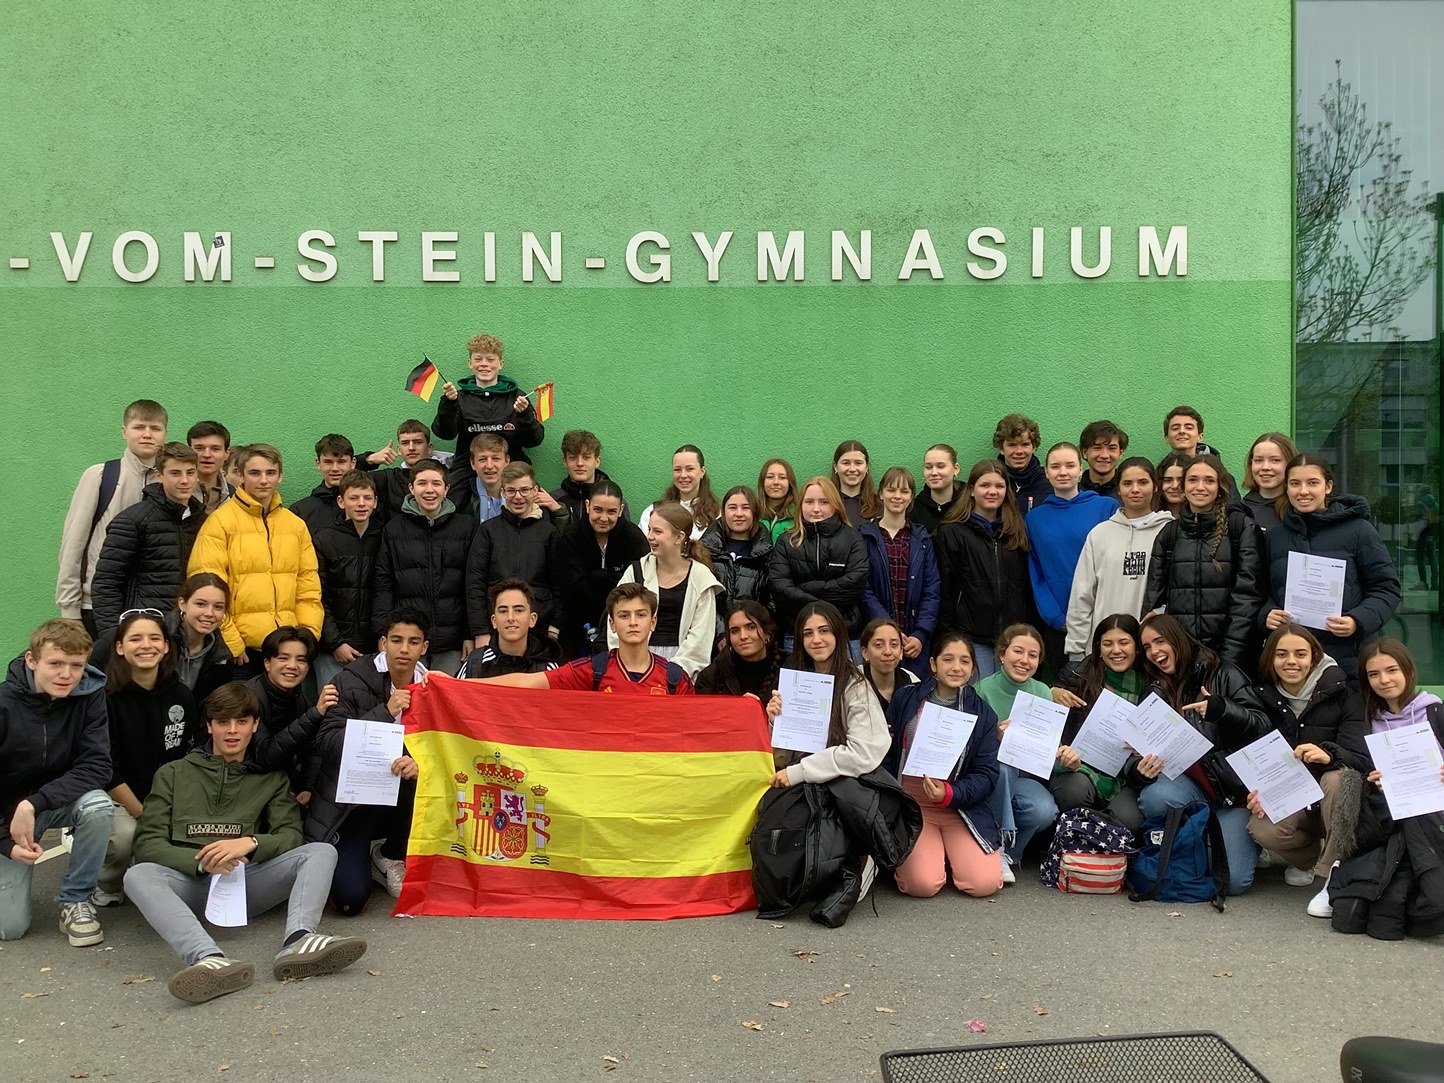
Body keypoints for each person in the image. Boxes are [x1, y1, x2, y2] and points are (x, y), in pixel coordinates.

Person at [125, 682, 366, 1003]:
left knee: (321, 851)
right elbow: (148, 842)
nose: (232, 731)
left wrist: (249, 843)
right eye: (223, 722)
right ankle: (208, 959)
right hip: (190, 886)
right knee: (137, 875)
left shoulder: (270, 776)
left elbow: (290, 835)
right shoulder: (173, 774)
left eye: (241, 722)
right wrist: (200, 861)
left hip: (247, 884)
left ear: (255, 725)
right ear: (209, 725)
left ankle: (299, 939)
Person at [763, 602, 893, 912]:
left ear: (838, 635)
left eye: (824, 631)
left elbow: (864, 752)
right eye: (808, 633)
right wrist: (774, 722)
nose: (816, 640)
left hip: (846, 785)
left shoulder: (857, 685)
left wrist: (799, 771)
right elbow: (781, 753)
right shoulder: (794, 683)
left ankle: (862, 860)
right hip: (804, 777)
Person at [1128, 613, 1270, 896]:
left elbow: (1263, 726)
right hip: (1192, 788)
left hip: (1234, 795)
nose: (1155, 652)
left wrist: (1222, 709)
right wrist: (1138, 769)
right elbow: (1135, 747)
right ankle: (1199, 839)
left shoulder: (1222, 673)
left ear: (1178, 639)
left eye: (1160, 641)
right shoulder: (1154, 687)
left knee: (1232, 882)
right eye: (1147, 647)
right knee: (1154, 796)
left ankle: (1233, 841)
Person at [305, 609, 429, 910]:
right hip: (351, 804)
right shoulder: (350, 679)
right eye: (396, 640)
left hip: (400, 797)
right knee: (350, 900)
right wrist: (385, 712)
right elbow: (328, 742)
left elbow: (446, 749)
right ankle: (357, 852)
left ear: (424, 648)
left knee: (423, 776)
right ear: (383, 643)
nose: (404, 649)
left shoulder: (433, 686)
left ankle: (390, 853)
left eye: (413, 642)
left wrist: (420, 765)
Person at [0, 619, 112, 945]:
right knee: (10, 929)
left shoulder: (89, 696)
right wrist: (5, 843)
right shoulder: (4, 704)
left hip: (49, 803)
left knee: (98, 806)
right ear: (31, 661)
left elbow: (97, 766)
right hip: (5, 818)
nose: (67, 675)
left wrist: (33, 803)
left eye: (76, 665)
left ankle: (75, 900)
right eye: (56, 664)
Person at [1248, 622, 1369, 906]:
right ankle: (1309, 858)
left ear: (1314, 657)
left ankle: (1331, 875)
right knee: (1261, 828)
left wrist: (1330, 755)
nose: (1291, 662)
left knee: (1338, 778)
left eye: (1300, 654)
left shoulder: (1344, 695)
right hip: (1291, 795)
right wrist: (1257, 792)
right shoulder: (1261, 695)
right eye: (1282, 654)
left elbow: (1361, 757)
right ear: (1271, 659)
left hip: (1332, 794)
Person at [1327, 640, 1444, 934]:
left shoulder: (1436, 713)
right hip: (1386, 815)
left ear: (1409, 670)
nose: (1384, 680)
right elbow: (1359, 766)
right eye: (1374, 674)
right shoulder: (1367, 721)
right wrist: (1372, 781)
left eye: (1392, 670)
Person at [1262, 453, 1401, 683]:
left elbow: (1386, 588)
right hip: (1292, 666)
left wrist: (1357, 620)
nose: (1303, 491)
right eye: (1295, 484)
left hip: (1348, 662)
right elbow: (1262, 591)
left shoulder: (1359, 530)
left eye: (1312, 483)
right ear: (1286, 488)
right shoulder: (1275, 537)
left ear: (1328, 487)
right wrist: (1266, 614)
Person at [884, 632, 1004, 898]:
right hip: (913, 805)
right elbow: (887, 750)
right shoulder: (906, 698)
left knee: (983, 884)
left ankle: (952, 855)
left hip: (958, 806)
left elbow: (986, 774)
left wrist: (951, 794)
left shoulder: (983, 713)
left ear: (973, 668)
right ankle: (934, 856)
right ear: (933, 664)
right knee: (921, 885)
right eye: (948, 659)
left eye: (964, 661)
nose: (956, 667)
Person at [94, 610, 199, 907]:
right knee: (126, 836)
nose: (146, 645)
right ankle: (106, 882)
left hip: (167, 797)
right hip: (119, 797)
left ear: (166, 646)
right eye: (135, 638)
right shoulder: (104, 698)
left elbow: (189, 755)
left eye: (155, 638)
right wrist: (142, 813)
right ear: (119, 647)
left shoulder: (181, 695)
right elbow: (106, 769)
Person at [186, 443, 322, 670]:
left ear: (280, 476)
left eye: (270, 473)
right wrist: (232, 641)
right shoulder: (220, 522)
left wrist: (307, 635)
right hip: (242, 653)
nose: (263, 480)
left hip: (288, 650)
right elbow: (206, 587)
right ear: (240, 476)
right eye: (255, 473)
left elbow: (308, 586)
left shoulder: (295, 525)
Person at [1143, 454, 1266, 668]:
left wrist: (1229, 658)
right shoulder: (1169, 534)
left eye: (1209, 480)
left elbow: (1248, 597)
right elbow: (1155, 601)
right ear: (1183, 486)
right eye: (1192, 480)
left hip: (1233, 658)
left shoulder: (1241, 528)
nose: (1200, 487)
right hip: (1182, 658)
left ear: (1221, 487)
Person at [58, 399, 168, 635]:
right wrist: (69, 610)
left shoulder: (171, 481)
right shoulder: (101, 476)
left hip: (150, 605)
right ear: (124, 431)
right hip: (96, 604)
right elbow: (74, 541)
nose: (147, 434)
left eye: (155, 428)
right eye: (139, 427)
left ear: (165, 434)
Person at [475, 583, 694, 695]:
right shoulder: (592, 671)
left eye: (641, 614)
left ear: (653, 623)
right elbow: (527, 682)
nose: (633, 622)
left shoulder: (675, 679)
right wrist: (451, 684)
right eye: (624, 615)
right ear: (612, 624)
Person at [1064, 457, 1172, 666]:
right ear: (1118, 489)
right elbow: (1082, 596)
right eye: (1127, 483)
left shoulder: (1170, 531)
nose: (1135, 489)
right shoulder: (1100, 534)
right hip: (1107, 651)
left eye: (1143, 482)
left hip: (1154, 651)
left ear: (1155, 486)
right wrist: (1077, 651)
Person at [373, 457, 476, 676]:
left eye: (436, 484)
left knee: (446, 704)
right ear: (411, 488)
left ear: (447, 488)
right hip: (407, 641)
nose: (429, 490)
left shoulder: (466, 527)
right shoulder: (393, 530)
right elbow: (383, 585)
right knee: (409, 703)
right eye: (422, 483)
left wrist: (470, 633)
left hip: (453, 642)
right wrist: (384, 633)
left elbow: (472, 585)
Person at [973, 624, 1061, 882]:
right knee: (1003, 767)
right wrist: (995, 737)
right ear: (1002, 654)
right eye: (1018, 651)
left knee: (1044, 810)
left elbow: (1046, 753)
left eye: (1032, 655)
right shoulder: (981, 690)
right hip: (990, 777)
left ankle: (1010, 853)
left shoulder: (1043, 692)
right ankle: (996, 846)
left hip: (1025, 776)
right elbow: (971, 752)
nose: (1024, 660)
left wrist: (1064, 758)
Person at [91, 441, 206, 635]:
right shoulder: (133, 520)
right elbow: (106, 583)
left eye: (190, 472)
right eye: (175, 473)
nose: (184, 480)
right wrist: (112, 636)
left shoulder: (203, 521)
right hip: (143, 629)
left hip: (189, 631)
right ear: (159, 475)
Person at [1049, 615, 1149, 834]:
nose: (1116, 650)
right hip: (1078, 768)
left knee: (1129, 819)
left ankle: (1095, 839)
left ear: (1138, 647)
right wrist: (1052, 692)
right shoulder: (1075, 675)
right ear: (1098, 647)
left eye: (1124, 642)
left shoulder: (1150, 685)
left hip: (1124, 774)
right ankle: (1080, 836)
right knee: (1074, 791)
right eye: (1107, 643)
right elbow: (1046, 713)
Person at [935, 460, 1034, 679]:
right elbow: (945, 588)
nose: (992, 491)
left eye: (999, 486)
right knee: (977, 701)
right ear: (971, 489)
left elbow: (1026, 584)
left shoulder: (1017, 531)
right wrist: (948, 635)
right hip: (971, 636)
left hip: (1012, 638)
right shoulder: (952, 531)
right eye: (984, 485)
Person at [1026, 442, 1119, 670]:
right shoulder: (1034, 518)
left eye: (1070, 465)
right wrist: (1056, 618)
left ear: (1080, 469)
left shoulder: (1106, 507)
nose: (1063, 472)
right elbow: (1036, 572)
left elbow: (1115, 563)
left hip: (1104, 620)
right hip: (1061, 626)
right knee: (1068, 696)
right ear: (1046, 473)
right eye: (1056, 467)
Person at [465, 462, 573, 658]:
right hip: (495, 631)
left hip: (540, 631)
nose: (518, 497)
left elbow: (561, 586)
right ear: (503, 492)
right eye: (511, 490)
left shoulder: (549, 533)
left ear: (535, 491)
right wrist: (480, 631)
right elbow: (474, 584)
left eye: (524, 490)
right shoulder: (487, 531)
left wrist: (555, 627)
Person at [614, 502, 723, 678]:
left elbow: (700, 638)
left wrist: (672, 675)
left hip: (682, 668)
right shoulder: (636, 571)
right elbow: (617, 619)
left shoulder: (701, 577)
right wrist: (627, 666)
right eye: (649, 530)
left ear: (679, 537)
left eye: (657, 531)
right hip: (634, 666)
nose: (649, 536)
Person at [768, 477, 869, 652]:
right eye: (809, 502)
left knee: (848, 681)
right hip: (797, 634)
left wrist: (805, 589)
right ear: (800, 506)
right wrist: (821, 600)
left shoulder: (852, 538)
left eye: (824, 502)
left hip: (845, 633)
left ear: (835, 505)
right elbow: (780, 588)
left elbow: (854, 586)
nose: (816, 509)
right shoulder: (786, 541)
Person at [860, 467, 940, 678]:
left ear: (911, 497)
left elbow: (932, 590)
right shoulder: (864, 537)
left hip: (913, 642)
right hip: (876, 636)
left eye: (904, 491)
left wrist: (921, 635)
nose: (897, 496)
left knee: (913, 701)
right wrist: (888, 630)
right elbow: (863, 589)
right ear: (881, 494)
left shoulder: (922, 539)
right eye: (891, 490)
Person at [434, 332, 544, 484]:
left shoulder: (517, 397)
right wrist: (448, 404)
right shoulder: (458, 397)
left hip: (512, 468)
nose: (484, 364)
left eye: (490, 359)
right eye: (478, 359)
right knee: (452, 503)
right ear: (470, 363)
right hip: (468, 468)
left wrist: (524, 415)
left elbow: (534, 440)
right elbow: (446, 434)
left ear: (501, 364)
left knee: (529, 498)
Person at [558, 479, 649, 656]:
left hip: (623, 626)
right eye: (598, 510)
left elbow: (638, 585)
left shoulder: (634, 538)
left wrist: (594, 577)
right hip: (578, 626)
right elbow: (571, 586)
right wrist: (612, 580)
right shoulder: (572, 536)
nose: (604, 518)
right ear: (587, 506)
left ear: (621, 510)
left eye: (611, 512)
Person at [313, 470, 381, 686]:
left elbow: (386, 591)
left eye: (367, 498)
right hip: (332, 648)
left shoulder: (384, 537)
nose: (361, 504)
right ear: (341, 502)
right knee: (333, 707)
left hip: (373, 648)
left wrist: (381, 639)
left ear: (375, 502)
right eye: (354, 498)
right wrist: (335, 643)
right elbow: (317, 596)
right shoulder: (324, 540)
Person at [244, 627, 330, 800]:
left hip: (285, 784)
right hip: (247, 784)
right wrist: (314, 714)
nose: (292, 666)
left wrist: (307, 787)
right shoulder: (248, 698)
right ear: (267, 663)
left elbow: (312, 750)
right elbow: (264, 756)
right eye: (283, 658)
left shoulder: (301, 698)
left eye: (301, 660)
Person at [460, 580, 563, 678]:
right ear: (494, 621)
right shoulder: (475, 665)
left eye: (518, 610)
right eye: (503, 611)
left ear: (532, 619)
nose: (510, 618)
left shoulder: (548, 671)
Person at [701, 486, 774, 617]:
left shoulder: (767, 555)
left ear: (755, 513)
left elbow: (771, 603)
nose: (739, 513)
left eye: (746, 507)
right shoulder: (703, 552)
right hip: (711, 632)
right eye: (732, 507)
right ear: (723, 512)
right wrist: (722, 633)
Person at [695, 600, 781, 700]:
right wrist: (737, 708)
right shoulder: (711, 676)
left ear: (767, 633)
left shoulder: (790, 667)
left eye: (751, 627)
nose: (743, 636)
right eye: (735, 631)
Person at [372, 420, 448, 522]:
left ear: (429, 448)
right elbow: (347, 479)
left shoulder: (448, 475)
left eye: (417, 442)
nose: (411, 448)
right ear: (399, 450)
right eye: (405, 443)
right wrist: (369, 460)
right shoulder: (389, 478)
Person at [637, 444, 719, 539]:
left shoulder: (717, 515)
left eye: (690, 469)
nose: (683, 475)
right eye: (677, 469)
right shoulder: (653, 512)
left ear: (702, 471)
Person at [289, 434, 363, 538]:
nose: (335, 468)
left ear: (353, 463)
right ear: (318, 463)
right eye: (328, 462)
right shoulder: (300, 511)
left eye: (342, 461)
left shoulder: (366, 506)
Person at [550, 429, 626, 523]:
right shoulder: (554, 500)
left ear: (597, 461)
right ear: (565, 462)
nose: (580, 463)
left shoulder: (615, 500)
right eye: (573, 457)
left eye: (586, 457)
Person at [1236, 432, 1298, 533]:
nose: (1265, 467)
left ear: (1291, 464)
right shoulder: (1240, 509)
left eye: (1275, 460)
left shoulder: (1300, 509)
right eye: (1258, 460)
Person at [993, 413, 1051, 515]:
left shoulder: (1048, 481)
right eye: (1012, 445)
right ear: (1001, 448)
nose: (1019, 451)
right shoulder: (991, 481)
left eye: (1025, 444)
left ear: (1034, 447)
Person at [859, 617, 919, 713]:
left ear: (901, 652)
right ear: (865, 652)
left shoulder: (913, 683)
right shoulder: (852, 684)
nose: (888, 652)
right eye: (878, 645)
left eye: (894, 644)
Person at [451, 433, 509, 525]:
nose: (489, 466)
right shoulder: (460, 497)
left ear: (507, 461)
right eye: (482, 459)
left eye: (496, 458)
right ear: (473, 463)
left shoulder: (522, 495)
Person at [910, 444, 963, 536]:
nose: (933, 473)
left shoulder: (970, 505)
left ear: (956, 469)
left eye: (941, 466)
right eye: (928, 467)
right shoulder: (913, 510)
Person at [186, 420, 233, 514]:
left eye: (215, 449)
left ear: (226, 454)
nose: (207, 455)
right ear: (188, 451)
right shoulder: (172, 492)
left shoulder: (235, 496)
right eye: (199, 448)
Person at [831, 440, 880, 526]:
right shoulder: (825, 504)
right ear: (835, 467)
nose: (852, 469)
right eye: (846, 463)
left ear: (867, 467)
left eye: (858, 463)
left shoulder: (879, 505)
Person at [1078, 420, 1128, 499]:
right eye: (1097, 448)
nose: (1104, 455)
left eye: (1112, 448)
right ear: (1084, 452)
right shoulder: (1072, 494)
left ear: (1120, 453)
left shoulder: (1129, 494)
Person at [757, 458, 799, 540]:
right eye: (770, 477)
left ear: (790, 483)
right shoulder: (752, 513)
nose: (776, 482)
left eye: (782, 477)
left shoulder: (799, 514)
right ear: (762, 482)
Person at [1157, 451, 1192, 518]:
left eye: (1181, 480)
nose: (1175, 486)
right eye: (1168, 480)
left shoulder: (1203, 518)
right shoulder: (1150, 518)